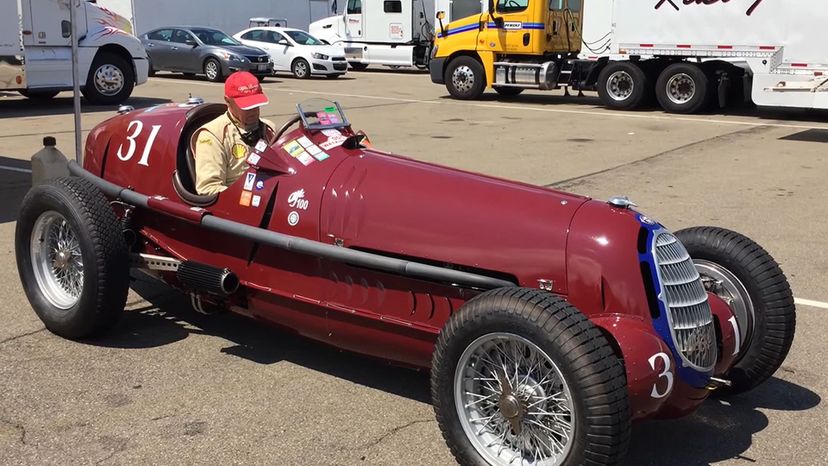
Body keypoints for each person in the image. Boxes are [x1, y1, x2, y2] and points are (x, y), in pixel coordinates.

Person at [193, 71, 276, 195]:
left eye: (256, 105)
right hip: (236, 205)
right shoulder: (213, 136)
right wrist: (250, 197)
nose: (253, 111)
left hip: (269, 194)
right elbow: (208, 189)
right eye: (247, 106)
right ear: (228, 101)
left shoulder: (269, 128)